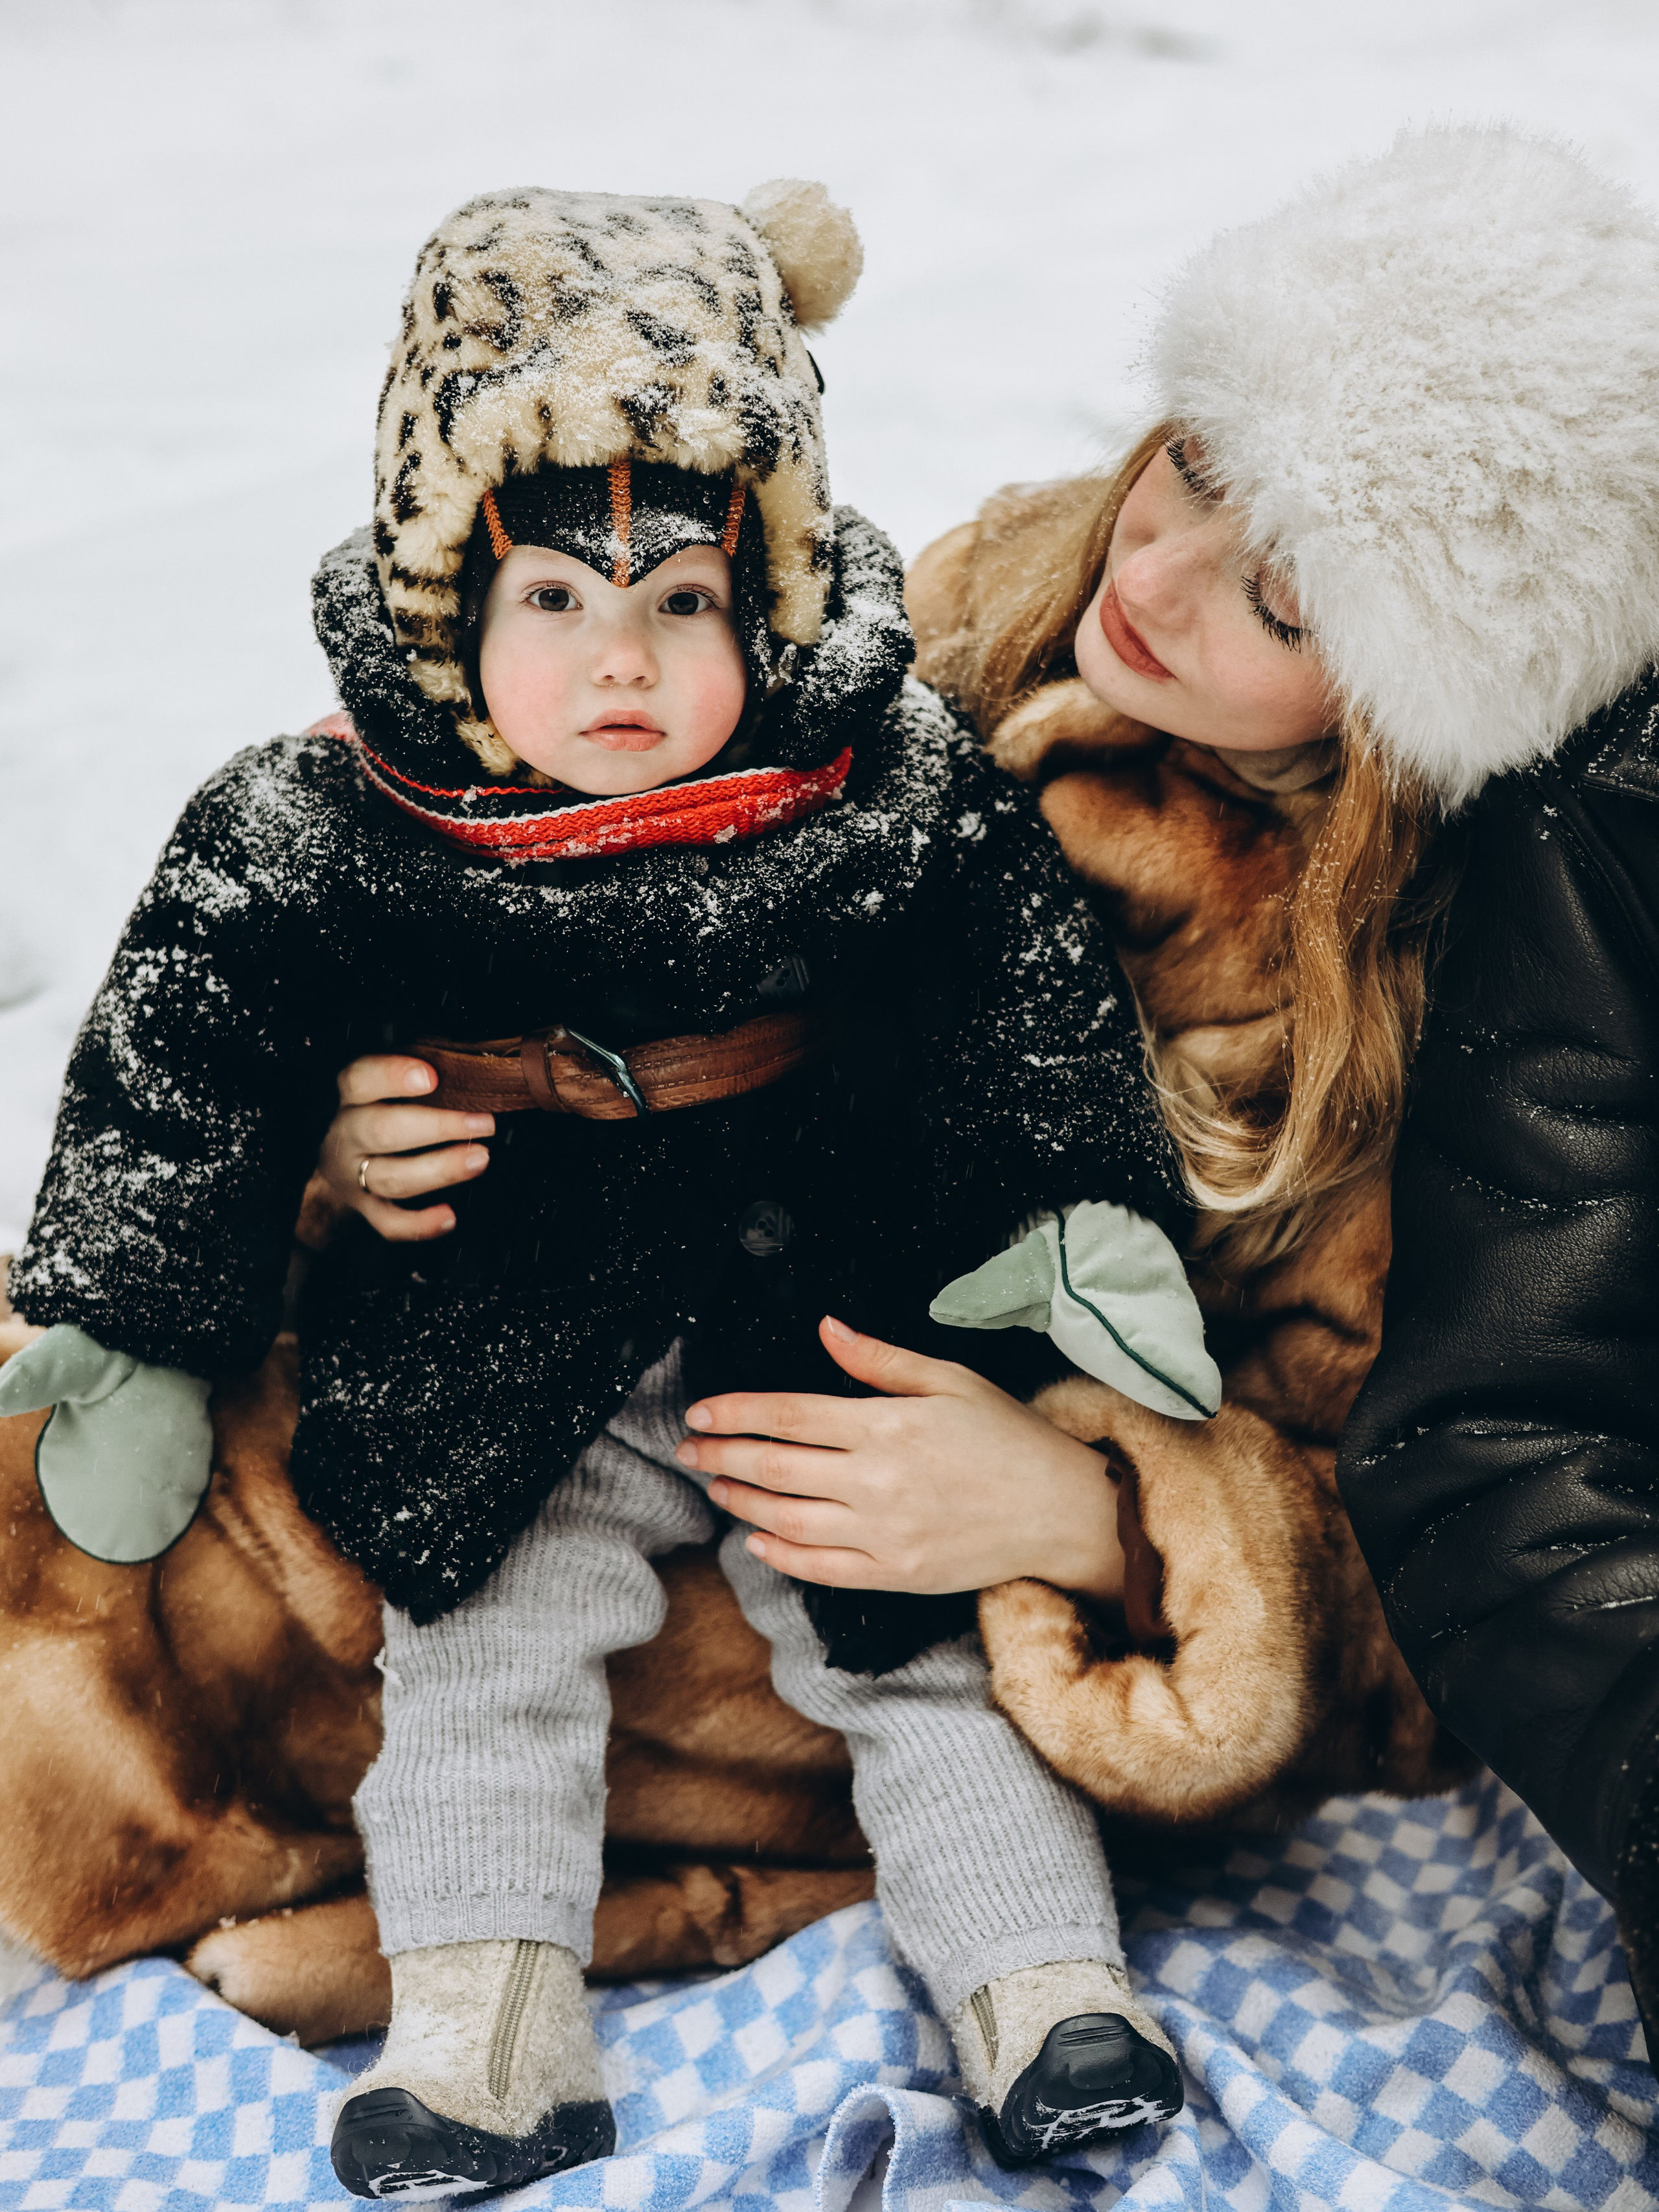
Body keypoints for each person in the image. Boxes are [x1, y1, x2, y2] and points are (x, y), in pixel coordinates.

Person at [325, 125, 1659, 2064]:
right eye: (1190, 466)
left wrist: (1093, 1522)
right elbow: (508, 881)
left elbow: (1424, 1556)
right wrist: (391, 1121)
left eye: (1282, 606)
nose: (1163, 577)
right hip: (590, 1327)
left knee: (401, 1683)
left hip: (903, 1557)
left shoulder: (1408, 1011)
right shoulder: (939, 616)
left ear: (1398, 689)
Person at [0, 180, 1224, 2196]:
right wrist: (139, 1306)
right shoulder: (334, 821)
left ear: (768, 596)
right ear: (448, 608)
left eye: (680, 599)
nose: (624, 660)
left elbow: (1013, 984)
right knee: (476, 1648)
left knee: (906, 1638)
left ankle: (1048, 1991)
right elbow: (189, 1030)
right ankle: (490, 2029)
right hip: (498, 1317)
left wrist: (1066, 1222)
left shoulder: (880, 787)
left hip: (810, 1305)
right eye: (556, 600)